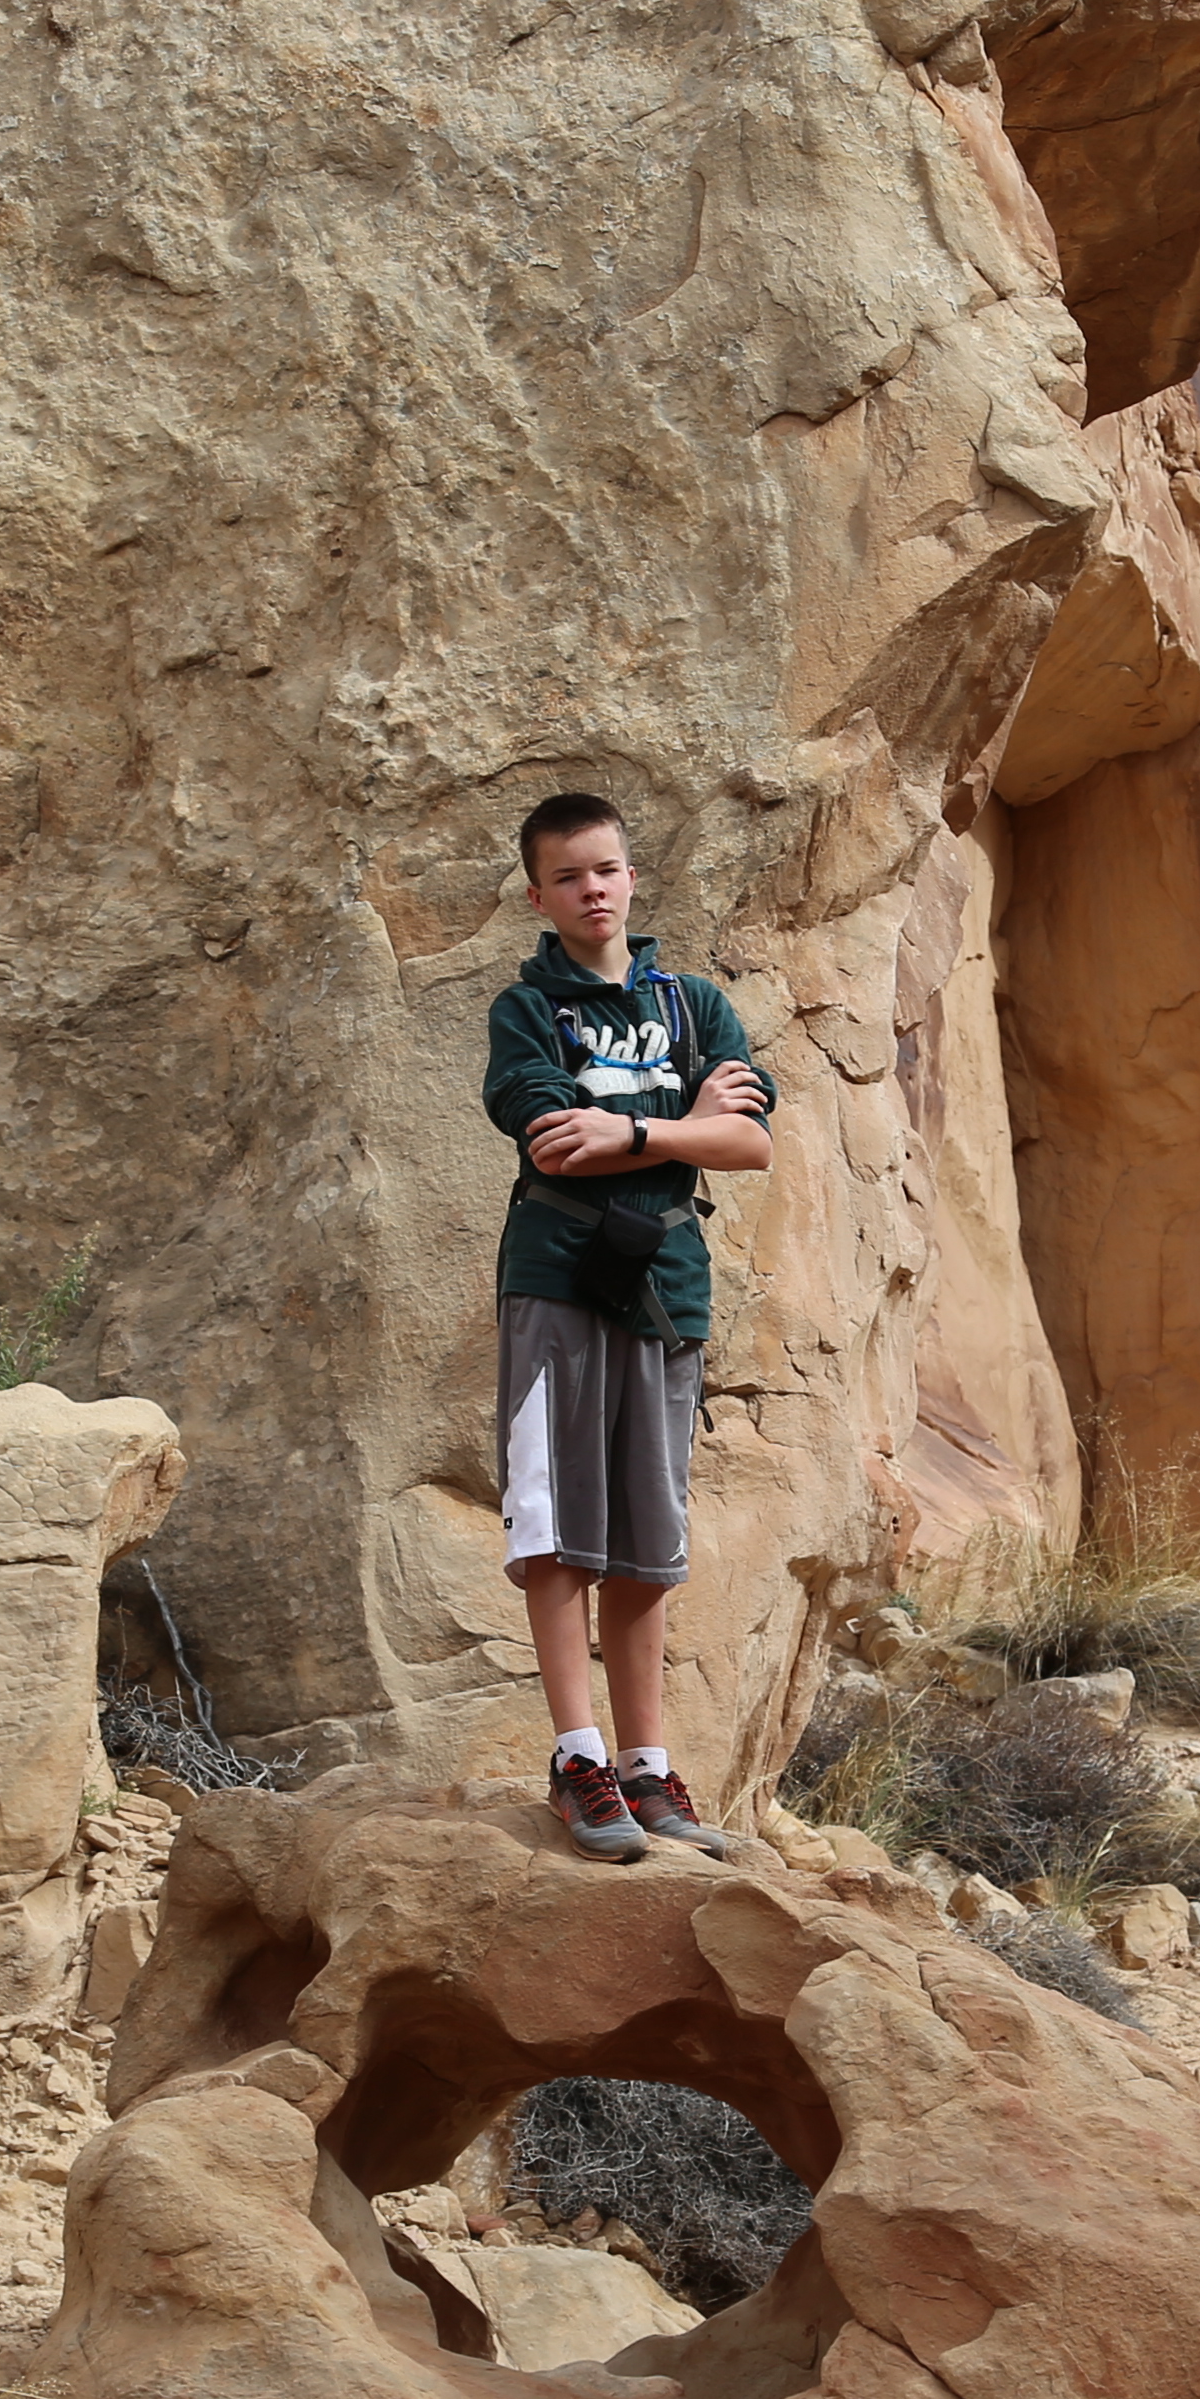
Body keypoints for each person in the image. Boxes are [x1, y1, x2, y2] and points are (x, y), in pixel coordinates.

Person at [483, 791, 777, 1862]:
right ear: (539, 894)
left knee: (649, 1544)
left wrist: (631, 1128)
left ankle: (649, 1770)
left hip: (666, 1287)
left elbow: (750, 1147)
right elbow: (554, 1143)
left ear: (632, 876)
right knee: (558, 1527)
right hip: (558, 1279)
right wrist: (685, 1127)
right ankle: (578, 1758)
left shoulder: (695, 1004)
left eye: (605, 869)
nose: (591, 890)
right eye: (568, 876)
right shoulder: (528, 1012)